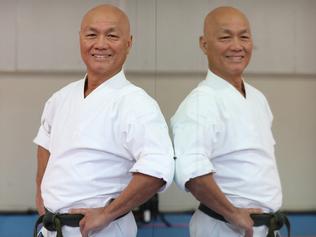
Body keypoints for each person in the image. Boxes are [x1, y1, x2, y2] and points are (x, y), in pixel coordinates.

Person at [34, 4, 174, 237]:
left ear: (128, 43)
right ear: (80, 39)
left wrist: (108, 213)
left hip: (104, 230)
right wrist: (41, 199)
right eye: (91, 35)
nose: (100, 44)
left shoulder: (137, 103)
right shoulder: (60, 98)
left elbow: (158, 169)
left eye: (112, 35)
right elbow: (45, 145)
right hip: (51, 227)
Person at [171, 6, 289, 237]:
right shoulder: (200, 103)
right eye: (225, 37)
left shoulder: (257, 98)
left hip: (264, 225)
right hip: (225, 227)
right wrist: (233, 214)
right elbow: (192, 172)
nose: (237, 46)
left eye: (244, 37)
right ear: (204, 44)